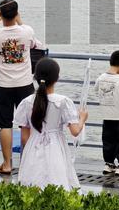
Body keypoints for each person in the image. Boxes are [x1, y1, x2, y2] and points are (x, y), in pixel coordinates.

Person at [0, 0, 46, 175]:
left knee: (5, 125)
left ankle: (7, 164)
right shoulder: (27, 31)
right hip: (25, 84)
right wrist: (19, 20)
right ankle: (28, 163)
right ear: (16, 14)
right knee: (26, 124)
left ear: (1, 15)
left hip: (3, 85)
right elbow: (34, 42)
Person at [14, 58, 88, 189]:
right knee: (57, 179)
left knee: (32, 181)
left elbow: (24, 138)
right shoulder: (63, 102)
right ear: (57, 78)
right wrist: (82, 118)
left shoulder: (26, 102)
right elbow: (75, 131)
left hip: (33, 145)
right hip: (56, 146)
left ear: (35, 76)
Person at [94, 49, 119, 175]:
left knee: (108, 140)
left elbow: (96, 90)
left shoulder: (101, 78)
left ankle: (109, 164)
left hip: (106, 116)